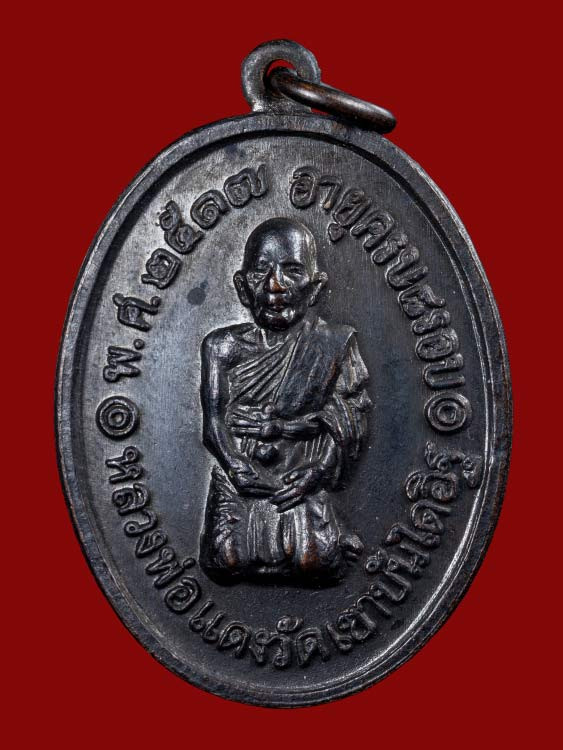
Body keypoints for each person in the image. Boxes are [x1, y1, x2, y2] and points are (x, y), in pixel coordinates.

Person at [199, 217, 371, 584]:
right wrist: (234, 465)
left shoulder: (333, 344)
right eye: (260, 272)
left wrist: (317, 472)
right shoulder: (222, 347)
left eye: (292, 271)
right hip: (242, 476)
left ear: (315, 287)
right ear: (242, 288)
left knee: (315, 562)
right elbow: (213, 423)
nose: (275, 286)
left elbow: (349, 419)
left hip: (300, 476)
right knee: (225, 561)